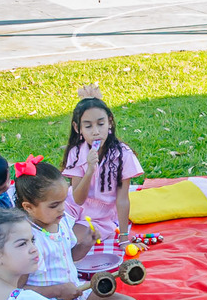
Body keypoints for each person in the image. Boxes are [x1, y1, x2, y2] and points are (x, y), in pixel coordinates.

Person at [14, 158, 139, 300]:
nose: (62, 208)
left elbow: (69, 256)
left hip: (74, 292)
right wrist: (57, 291)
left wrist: (87, 243)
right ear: (28, 207)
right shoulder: (26, 240)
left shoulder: (62, 221)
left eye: (64, 201)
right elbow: (17, 291)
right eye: (54, 205)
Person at [62, 97, 145, 243]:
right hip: (72, 207)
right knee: (52, 232)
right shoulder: (76, 153)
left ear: (110, 122)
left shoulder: (123, 155)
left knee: (74, 240)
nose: (96, 132)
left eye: (101, 124)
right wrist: (89, 171)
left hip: (101, 217)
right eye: (88, 126)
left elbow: (122, 199)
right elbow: (78, 199)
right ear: (77, 128)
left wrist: (124, 237)